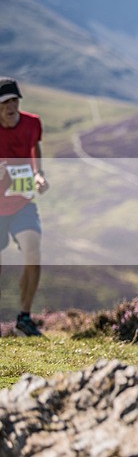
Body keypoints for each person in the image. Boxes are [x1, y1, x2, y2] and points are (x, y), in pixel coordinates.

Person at [0, 77, 49, 337]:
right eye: (4, 103)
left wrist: (39, 174)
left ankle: (24, 318)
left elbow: (34, 144)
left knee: (33, 250)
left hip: (22, 202)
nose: (9, 108)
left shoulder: (32, 123)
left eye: (13, 101)